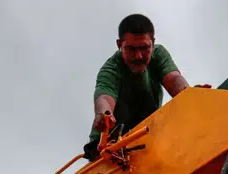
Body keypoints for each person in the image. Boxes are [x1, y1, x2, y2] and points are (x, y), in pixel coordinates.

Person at [86, 14, 205, 158]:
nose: (138, 56)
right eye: (131, 49)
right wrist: (103, 115)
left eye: (144, 48)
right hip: (108, 147)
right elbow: (104, 98)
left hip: (147, 134)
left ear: (153, 43)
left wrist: (188, 94)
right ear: (119, 45)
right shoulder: (111, 69)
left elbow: (173, 79)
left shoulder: (159, 54)